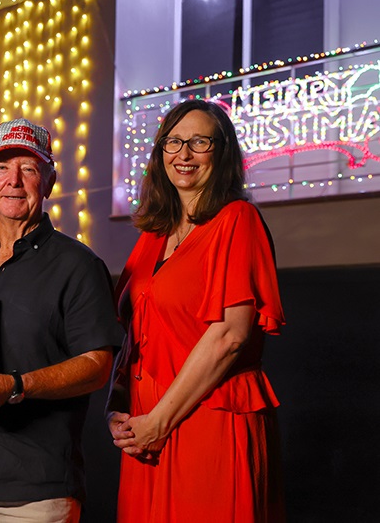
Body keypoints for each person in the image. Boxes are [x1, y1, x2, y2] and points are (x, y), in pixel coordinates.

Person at [106, 99, 286, 521]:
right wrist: (116, 404)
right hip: (146, 427)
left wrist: (159, 422)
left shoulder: (237, 219)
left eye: (199, 142)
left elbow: (230, 337)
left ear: (222, 152)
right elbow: (133, 332)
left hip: (204, 419)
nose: (183, 155)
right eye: (173, 142)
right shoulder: (155, 233)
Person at [0, 118, 124, 522]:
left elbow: (98, 367)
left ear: (49, 180)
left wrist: (15, 386)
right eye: (3, 167)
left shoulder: (78, 265)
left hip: (37, 491)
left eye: (29, 168)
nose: (14, 180)